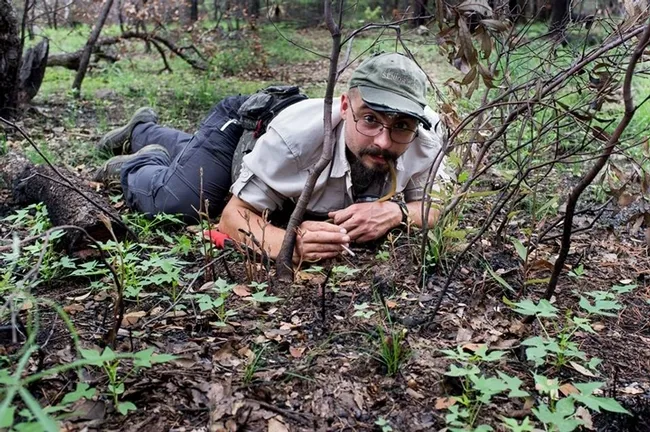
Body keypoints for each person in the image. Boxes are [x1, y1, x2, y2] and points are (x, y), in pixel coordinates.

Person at [94, 52, 448, 262]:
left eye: (400, 126)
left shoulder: (425, 137)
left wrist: (395, 212)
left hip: (269, 156)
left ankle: (159, 138)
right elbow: (233, 218)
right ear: (345, 106)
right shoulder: (295, 142)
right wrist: (291, 244)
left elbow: (437, 205)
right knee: (181, 200)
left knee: (196, 162)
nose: (384, 141)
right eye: (370, 119)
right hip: (246, 128)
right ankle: (138, 159)